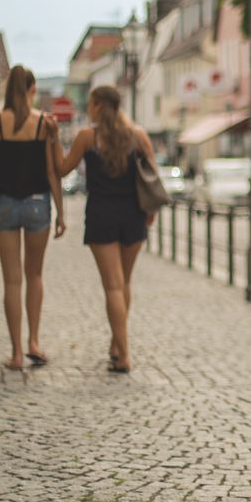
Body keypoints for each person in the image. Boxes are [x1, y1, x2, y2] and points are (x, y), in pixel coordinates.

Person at [49, 85, 155, 374]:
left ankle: (124, 355)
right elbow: (153, 179)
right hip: (133, 215)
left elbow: (61, 169)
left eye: (91, 104)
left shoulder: (87, 137)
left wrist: (56, 139)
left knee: (112, 286)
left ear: (97, 106)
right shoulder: (138, 136)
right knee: (124, 284)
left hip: (102, 215)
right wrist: (151, 213)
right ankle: (116, 344)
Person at [0, 65, 65, 370]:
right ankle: (34, 342)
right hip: (38, 204)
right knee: (34, 276)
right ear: (32, 90)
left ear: (7, 89)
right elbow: (52, 171)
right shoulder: (44, 124)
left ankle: (15, 354)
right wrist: (61, 212)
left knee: (12, 281)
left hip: (4, 205)